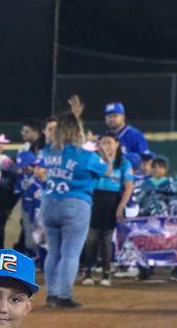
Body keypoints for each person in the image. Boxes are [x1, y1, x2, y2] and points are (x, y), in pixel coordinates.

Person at [37, 99, 106, 308]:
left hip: (49, 204)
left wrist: (74, 116)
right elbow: (104, 170)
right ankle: (64, 296)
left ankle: (51, 295)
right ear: (79, 131)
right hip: (75, 204)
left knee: (53, 252)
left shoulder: (49, 151)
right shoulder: (85, 154)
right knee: (71, 253)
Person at [79, 133, 132, 287]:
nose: (106, 146)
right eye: (103, 143)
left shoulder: (123, 163)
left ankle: (106, 273)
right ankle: (87, 271)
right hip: (94, 199)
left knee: (107, 240)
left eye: (109, 143)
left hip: (111, 201)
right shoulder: (94, 160)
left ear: (117, 144)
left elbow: (128, 187)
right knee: (91, 238)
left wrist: (121, 207)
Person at [102, 102, 150, 168]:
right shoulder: (104, 137)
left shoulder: (135, 135)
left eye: (115, 115)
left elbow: (146, 159)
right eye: (109, 116)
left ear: (123, 117)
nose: (111, 119)